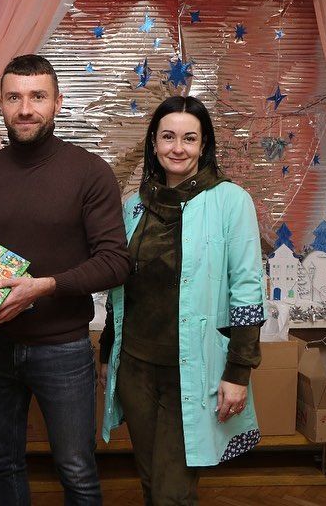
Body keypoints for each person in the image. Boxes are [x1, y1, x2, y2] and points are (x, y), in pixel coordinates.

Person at [0, 54, 130, 505]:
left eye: (37, 97)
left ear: (58, 102)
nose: (26, 109)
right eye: (14, 98)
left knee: (76, 470)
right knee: (0, 463)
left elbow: (116, 262)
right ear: (0, 103)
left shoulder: (90, 172)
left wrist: (45, 285)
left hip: (63, 348)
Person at [99, 95, 266, 505]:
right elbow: (121, 287)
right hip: (136, 367)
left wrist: (239, 373)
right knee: (151, 483)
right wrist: (107, 354)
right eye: (168, 137)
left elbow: (247, 291)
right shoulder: (134, 206)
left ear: (203, 144)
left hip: (192, 371)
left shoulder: (231, 201)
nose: (178, 148)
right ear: (154, 143)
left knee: (172, 493)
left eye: (189, 138)